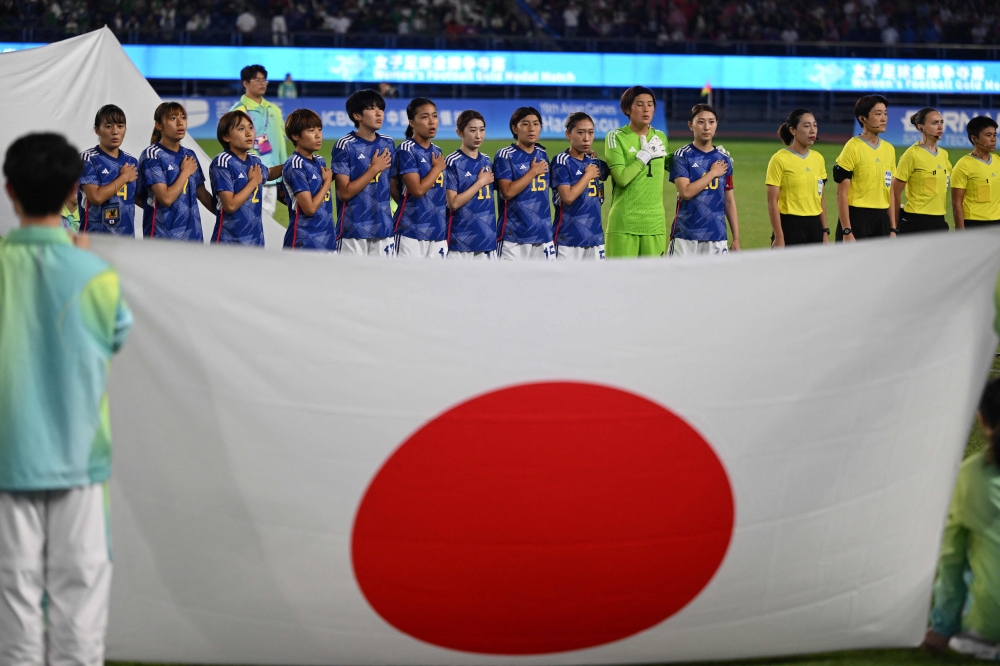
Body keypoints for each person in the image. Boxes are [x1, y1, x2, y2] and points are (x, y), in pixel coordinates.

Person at [0, 132, 132, 666]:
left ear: (9, 192)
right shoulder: (94, 274)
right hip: (78, 458)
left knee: (14, 600)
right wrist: (83, 263)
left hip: (8, 460)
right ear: (75, 192)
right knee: (79, 606)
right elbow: (116, 336)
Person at [922, 377, 1000, 660]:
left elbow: (951, 559)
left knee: (967, 562)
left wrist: (942, 627)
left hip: (990, 626)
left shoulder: (970, 476)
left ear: (981, 419)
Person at [605, 86, 669, 258]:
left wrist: (709, 157)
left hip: (655, 224)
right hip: (624, 223)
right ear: (627, 109)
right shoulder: (616, 137)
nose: (646, 108)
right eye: (640, 104)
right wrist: (643, 157)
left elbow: (670, 163)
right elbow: (621, 178)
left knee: (653, 283)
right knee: (620, 282)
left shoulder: (660, 137)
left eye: (650, 104)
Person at [330, 89, 396, 257]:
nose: (378, 113)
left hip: (384, 229)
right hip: (353, 230)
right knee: (352, 282)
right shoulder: (345, 145)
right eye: (372, 108)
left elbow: (394, 183)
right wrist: (374, 169)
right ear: (357, 116)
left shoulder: (388, 143)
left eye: (380, 108)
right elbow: (344, 192)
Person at [669, 104, 740, 255]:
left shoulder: (724, 160)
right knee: (679, 279)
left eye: (711, 122)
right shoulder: (681, 156)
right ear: (691, 125)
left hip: (717, 236)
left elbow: (729, 201)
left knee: (716, 279)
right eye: (701, 122)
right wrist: (713, 173)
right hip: (686, 235)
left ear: (716, 125)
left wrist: (736, 238)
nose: (707, 127)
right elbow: (686, 192)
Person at [139, 102, 215, 241]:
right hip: (163, 238)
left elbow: (202, 193)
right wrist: (185, 172)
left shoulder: (189, 154)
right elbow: (166, 199)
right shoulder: (151, 155)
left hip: (193, 237)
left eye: (183, 117)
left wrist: (226, 215)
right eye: (173, 118)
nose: (180, 123)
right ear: (159, 125)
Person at [209, 110, 282, 246]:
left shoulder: (254, 160)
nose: (248, 133)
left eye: (250, 127)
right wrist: (253, 182)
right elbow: (230, 205)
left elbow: (269, 173)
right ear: (226, 136)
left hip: (255, 242)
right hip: (229, 243)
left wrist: (289, 165)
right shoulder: (222, 162)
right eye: (241, 129)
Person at [833, 95, 896, 242]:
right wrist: (847, 231)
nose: (884, 118)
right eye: (878, 114)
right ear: (862, 118)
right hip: (857, 218)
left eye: (885, 113)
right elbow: (841, 194)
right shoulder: (852, 147)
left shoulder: (889, 149)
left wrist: (892, 228)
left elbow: (890, 192)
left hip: (882, 220)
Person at [494, 107, 554, 260]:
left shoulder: (542, 154)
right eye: (525, 124)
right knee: (510, 283)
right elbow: (507, 192)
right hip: (513, 236)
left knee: (545, 283)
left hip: (543, 235)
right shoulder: (505, 155)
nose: (531, 128)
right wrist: (533, 172)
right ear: (514, 128)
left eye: (536, 124)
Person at [391, 98, 448, 258]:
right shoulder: (406, 150)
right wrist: (437, 168)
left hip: (437, 231)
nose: (432, 122)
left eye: (435, 116)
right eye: (424, 117)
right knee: (406, 282)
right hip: (411, 231)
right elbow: (417, 190)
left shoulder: (437, 150)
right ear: (412, 123)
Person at [231, 64, 288, 220]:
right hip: (251, 176)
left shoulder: (274, 109)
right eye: (257, 80)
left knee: (268, 219)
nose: (262, 83)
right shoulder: (238, 111)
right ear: (245, 83)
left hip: (274, 174)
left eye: (264, 80)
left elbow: (281, 141)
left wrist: (285, 171)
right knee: (250, 219)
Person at [765, 108, 828, 247]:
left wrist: (824, 231)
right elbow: (772, 202)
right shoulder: (779, 159)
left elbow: (821, 199)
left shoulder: (818, 159)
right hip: (789, 226)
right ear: (793, 130)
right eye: (806, 126)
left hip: (815, 227)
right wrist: (779, 236)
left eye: (815, 125)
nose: (812, 130)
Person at [550, 112, 609, 260]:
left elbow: (613, 171)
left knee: (594, 283)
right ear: (568, 134)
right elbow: (567, 197)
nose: (586, 138)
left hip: (595, 238)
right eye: (581, 132)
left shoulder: (594, 162)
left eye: (591, 132)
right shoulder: (561, 161)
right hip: (568, 240)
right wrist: (587, 175)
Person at [78, 104, 139, 236]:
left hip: (126, 240)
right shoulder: (88, 159)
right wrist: (124, 177)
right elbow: (96, 197)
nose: (115, 131)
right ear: (97, 130)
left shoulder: (132, 162)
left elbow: (140, 198)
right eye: (108, 126)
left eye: (120, 126)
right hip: (95, 240)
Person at [444, 110, 496, 260]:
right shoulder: (453, 162)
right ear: (460, 132)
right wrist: (480, 182)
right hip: (460, 241)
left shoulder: (486, 160)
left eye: (482, 130)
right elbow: (453, 203)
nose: (478, 136)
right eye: (472, 130)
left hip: (486, 240)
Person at [281, 108, 336, 251]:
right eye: (311, 131)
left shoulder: (319, 161)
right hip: (303, 241)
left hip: (327, 238)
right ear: (295, 136)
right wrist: (327, 182)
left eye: (319, 129)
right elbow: (310, 209)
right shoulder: (295, 165)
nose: (318, 135)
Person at [892, 108, 952, 234]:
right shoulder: (912, 154)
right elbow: (894, 192)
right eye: (935, 123)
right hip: (916, 222)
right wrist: (894, 225)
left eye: (942, 122)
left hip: (939, 222)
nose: (940, 127)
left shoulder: (944, 155)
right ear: (921, 127)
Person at [952, 116, 1000, 229]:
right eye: (988, 135)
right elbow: (957, 203)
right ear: (974, 138)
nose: (993, 139)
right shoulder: (963, 165)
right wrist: (961, 233)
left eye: (995, 135)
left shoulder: (998, 161)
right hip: (974, 224)